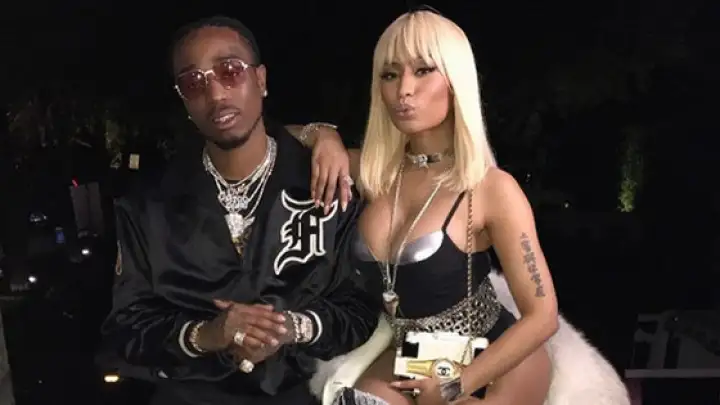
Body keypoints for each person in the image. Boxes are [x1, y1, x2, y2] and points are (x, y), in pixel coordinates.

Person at [99, 16, 383, 405]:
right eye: (193, 82)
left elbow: (361, 310)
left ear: (261, 80)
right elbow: (127, 327)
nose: (215, 94)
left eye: (230, 71)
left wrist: (291, 328)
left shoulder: (327, 184)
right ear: (183, 100)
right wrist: (208, 335)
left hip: (300, 394)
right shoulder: (148, 205)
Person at [290, 9, 557, 405]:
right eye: (390, 74)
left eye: (423, 70)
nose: (404, 90)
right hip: (414, 356)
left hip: (499, 361)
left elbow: (543, 316)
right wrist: (323, 136)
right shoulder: (373, 173)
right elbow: (270, 144)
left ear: (455, 80)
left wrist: (454, 387)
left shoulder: (491, 188)